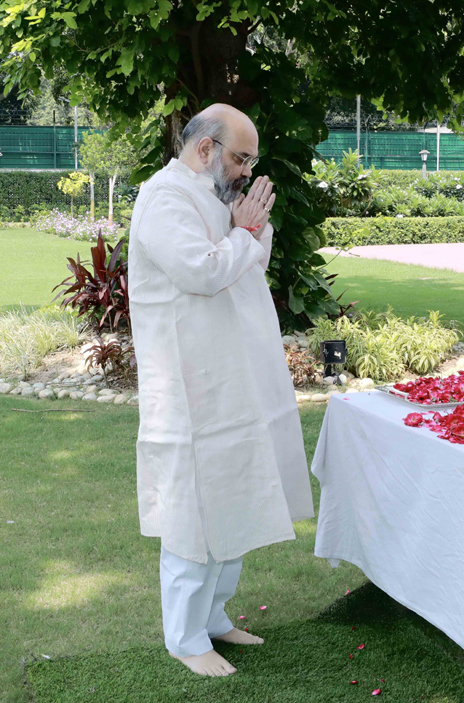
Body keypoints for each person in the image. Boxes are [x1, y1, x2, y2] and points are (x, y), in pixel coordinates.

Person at [128, 103, 314, 678]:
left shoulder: (213, 198)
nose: (245, 171)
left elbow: (248, 259)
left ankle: (213, 618)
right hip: (190, 387)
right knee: (195, 512)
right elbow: (202, 271)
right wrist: (244, 233)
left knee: (233, 499)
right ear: (206, 149)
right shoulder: (164, 197)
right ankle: (185, 638)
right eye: (241, 158)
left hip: (233, 381)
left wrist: (249, 231)